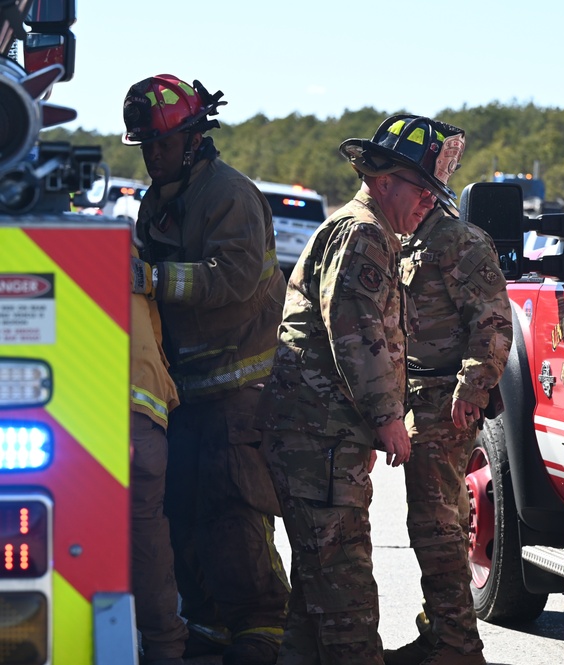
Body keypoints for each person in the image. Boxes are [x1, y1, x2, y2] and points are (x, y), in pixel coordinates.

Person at [254, 113, 464, 664]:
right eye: (422, 191)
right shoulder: (364, 232)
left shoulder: (365, 230)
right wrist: (386, 418)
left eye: (434, 196)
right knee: (347, 606)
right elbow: (358, 331)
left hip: (321, 437)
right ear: (384, 179)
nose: (428, 205)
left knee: (315, 600)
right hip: (318, 437)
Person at [125, 73, 290, 665]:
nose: (152, 156)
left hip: (238, 391)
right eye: (144, 145)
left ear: (195, 139)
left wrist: (151, 278)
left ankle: (262, 639)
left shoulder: (229, 194)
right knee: (186, 521)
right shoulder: (159, 202)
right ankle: (212, 637)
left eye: (162, 144)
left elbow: (236, 277)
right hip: (187, 397)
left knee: (234, 521)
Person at [384, 197, 512, 664]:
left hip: (447, 402)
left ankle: (456, 646)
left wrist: (473, 388)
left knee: (436, 527)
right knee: (439, 525)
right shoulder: (410, 237)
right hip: (420, 394)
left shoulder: (460, 239)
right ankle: (441, 633)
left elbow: (493, 321)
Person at [129, 241, 187, 665]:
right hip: (143, 415)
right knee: (145, 531)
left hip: (74, 425)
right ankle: (165, 646)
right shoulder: (124, 256)